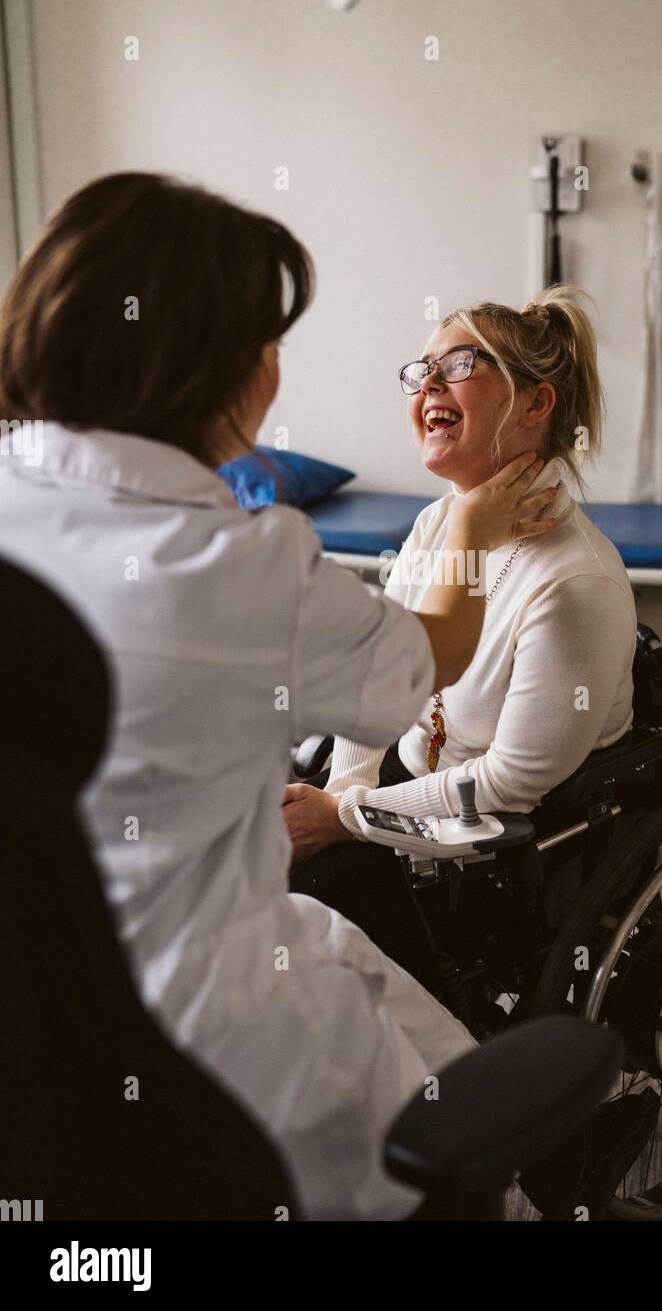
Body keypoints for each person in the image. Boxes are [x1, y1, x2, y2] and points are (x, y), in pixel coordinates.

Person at [0, 172, 563, 1220]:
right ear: (217, 368)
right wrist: (477, 525)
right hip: (205, 1065)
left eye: (464, 366)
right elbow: (420, 668)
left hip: (34, 1041)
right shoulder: (246, 564)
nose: (432, 387)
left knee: (336, 940)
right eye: (268, 344)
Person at [285, 288, 638, 989]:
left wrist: (346, 817)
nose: (429, 386)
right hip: (403, 792)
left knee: (304, 902)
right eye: (421, 372)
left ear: (536, 405)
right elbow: (377, 677)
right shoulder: (435, 527)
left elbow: (509, 784)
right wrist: (344, 786)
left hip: (498, 840)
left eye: (460, 364)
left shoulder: (576, 584)